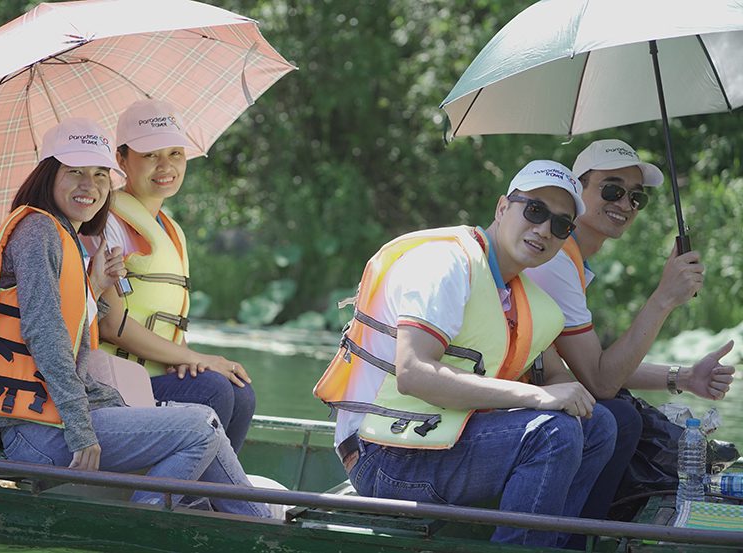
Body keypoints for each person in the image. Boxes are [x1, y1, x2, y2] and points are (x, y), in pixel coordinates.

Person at [0, 118, 270, 517]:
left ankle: (248, 524)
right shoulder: (38, 232)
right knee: (203, 426)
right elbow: (45, 337)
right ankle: (146, 523)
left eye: (99, 175)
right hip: (39, 431)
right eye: (74, 173)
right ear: (47, 175)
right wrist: (80, 430)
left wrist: (95, 287)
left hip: (54, 420)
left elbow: (62, 318)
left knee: (203, 423)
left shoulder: (63, 235)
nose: (88, 186)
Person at [315, 160, 616, 547]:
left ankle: (551, 544)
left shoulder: (517, 293)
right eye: (535, 211)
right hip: (384, 457)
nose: (544, 230)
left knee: (599, 425)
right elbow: (414, 372)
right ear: (503, 207)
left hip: (442, 440)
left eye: (561, 225)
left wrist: (560, 391)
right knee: (552, 434)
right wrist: (540, 397)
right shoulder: (447, 265)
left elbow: (553, 374)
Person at [524, 139, 736, 529]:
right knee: (618, 417)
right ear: (578, 190)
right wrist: (662, 299)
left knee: (619, 411)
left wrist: (683, 377)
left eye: (636, 198)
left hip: (540, 390)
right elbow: (601, 380)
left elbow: (593, 369)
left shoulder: (573, 260)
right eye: (612, 189)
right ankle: (576, 537)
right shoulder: (554, 258)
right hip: (511, 401)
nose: (625, 204)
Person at [82, 99, 255, 453]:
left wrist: (188, 359)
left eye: (175, 153)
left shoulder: (172, 230)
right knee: (213, 388)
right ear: (121, 159)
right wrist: (196, 360)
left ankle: (206, 498)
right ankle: (176, 498)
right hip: (115, 383)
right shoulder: (106, 221)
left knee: (240, 391)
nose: (166, 166)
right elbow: (111, 324)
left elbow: (169, 327)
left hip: (157, 373)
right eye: (150, 155)